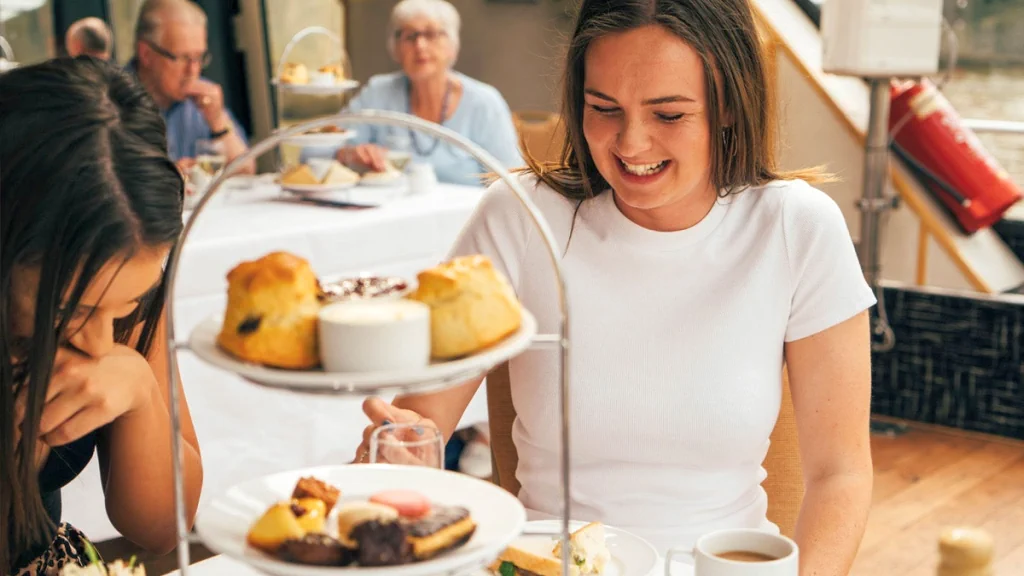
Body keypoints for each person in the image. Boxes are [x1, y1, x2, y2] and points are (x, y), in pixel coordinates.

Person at [355, 0, 876, 573]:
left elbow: (841, 473)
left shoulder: (797, 227)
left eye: (668, 115)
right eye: (604, 109)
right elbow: (423, 424)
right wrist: (403, 449)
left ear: (728, 105)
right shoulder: (520, 217)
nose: (631, 144)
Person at [1, 58, 203, 575]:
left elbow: (162, 529)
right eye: (73, 311)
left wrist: (139, 392)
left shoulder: (120, 304)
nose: (98, 345)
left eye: (126, 306)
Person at [315, 0, 522, 186]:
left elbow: (512, 182)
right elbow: (312, 151)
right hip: (389, 218)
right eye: (409, 36)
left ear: (452, 47)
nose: (420, 45)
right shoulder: (379, 93)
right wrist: (348, 154)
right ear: (395, 49)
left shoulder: (484, 103)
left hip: (463, 221)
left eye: (432, 34)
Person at [129, 0, 254, 173]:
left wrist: (218, 122)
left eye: (199, 57)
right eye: (182, 58)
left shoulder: (203, 98)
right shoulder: (108, 100)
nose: (193, 70)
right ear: (146, 54)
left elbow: (246, 172)